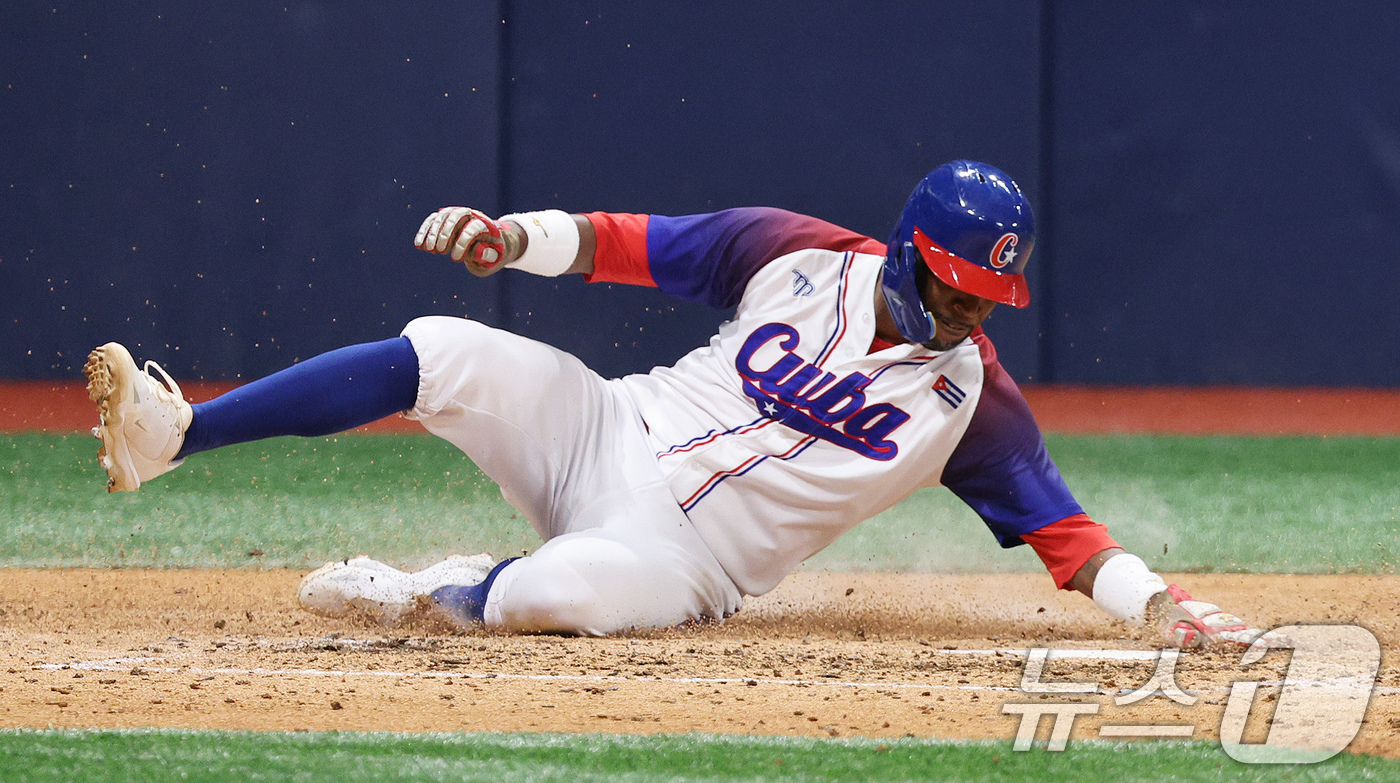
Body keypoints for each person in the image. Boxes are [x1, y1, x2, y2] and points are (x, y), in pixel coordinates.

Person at [83, 160, 1271, 648]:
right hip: (609, 425)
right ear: (909, 253)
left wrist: (1158, 604)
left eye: (989, 294)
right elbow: (629, 245)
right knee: (443, 348)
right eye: (961, 287)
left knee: (554, 593)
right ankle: (178, 433)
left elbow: (1065, 535)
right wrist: (514, 240)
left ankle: (436, 587)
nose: (975, 312)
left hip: (684, 560)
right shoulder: (801, 254)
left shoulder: (974, 404)